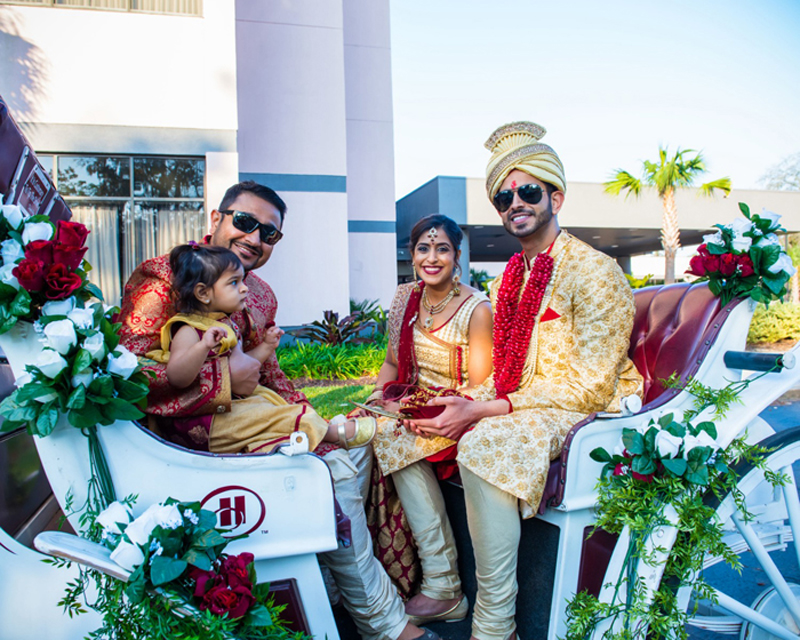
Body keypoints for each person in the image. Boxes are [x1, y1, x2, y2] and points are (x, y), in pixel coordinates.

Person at [118, 180, 437, 640]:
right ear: (217, 220)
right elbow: (134, 375)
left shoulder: (260, 293)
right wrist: (226, 380)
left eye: (269, 233)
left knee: (364, 450)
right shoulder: (167, 275)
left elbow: (272, 378)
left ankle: (334, 584)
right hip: (190, 434)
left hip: (251, 420)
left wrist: (307, 413)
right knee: (334, 468)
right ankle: (381, 623)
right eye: (245, 223)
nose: (254, 238)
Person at [393, 122, 644, 639]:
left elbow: (591, 387)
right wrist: (458, 401)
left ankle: (495, 622)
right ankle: (444, 587)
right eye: (503, 196)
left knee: (486, 440)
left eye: (528, 191)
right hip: (523, 401)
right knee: (401, 430)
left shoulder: (594, 272)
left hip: (584, 408)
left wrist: (482, 410)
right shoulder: (513, 275)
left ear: (556, 196)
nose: (515, 203)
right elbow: (508, 370)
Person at [364, 214, 492, 619]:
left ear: (457, 256)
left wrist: (421, 409)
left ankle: (444, 585)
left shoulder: (476, 308)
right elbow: (390, 365)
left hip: (457, 412)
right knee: (360, 432)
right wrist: (374, 398)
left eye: (442, 249)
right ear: (411, 254)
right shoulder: (405, 299)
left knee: (392, 435)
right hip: (410, 403)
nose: (432, 258)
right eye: (423, 248)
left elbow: (480, 386)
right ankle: (371, 572)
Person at [147, 242, 376, 453]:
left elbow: (244, 362)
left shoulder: (224, 323)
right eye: (234, 282)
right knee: (272, 415)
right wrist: (202, 347)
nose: (245, 288)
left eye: (243, 281)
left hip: (235, 407)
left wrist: (266, 346)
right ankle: (331, 433)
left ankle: (283, 442)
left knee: (271, 407)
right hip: (208, 422)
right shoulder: (188, 330)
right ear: (203, 293)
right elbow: (176, 377)